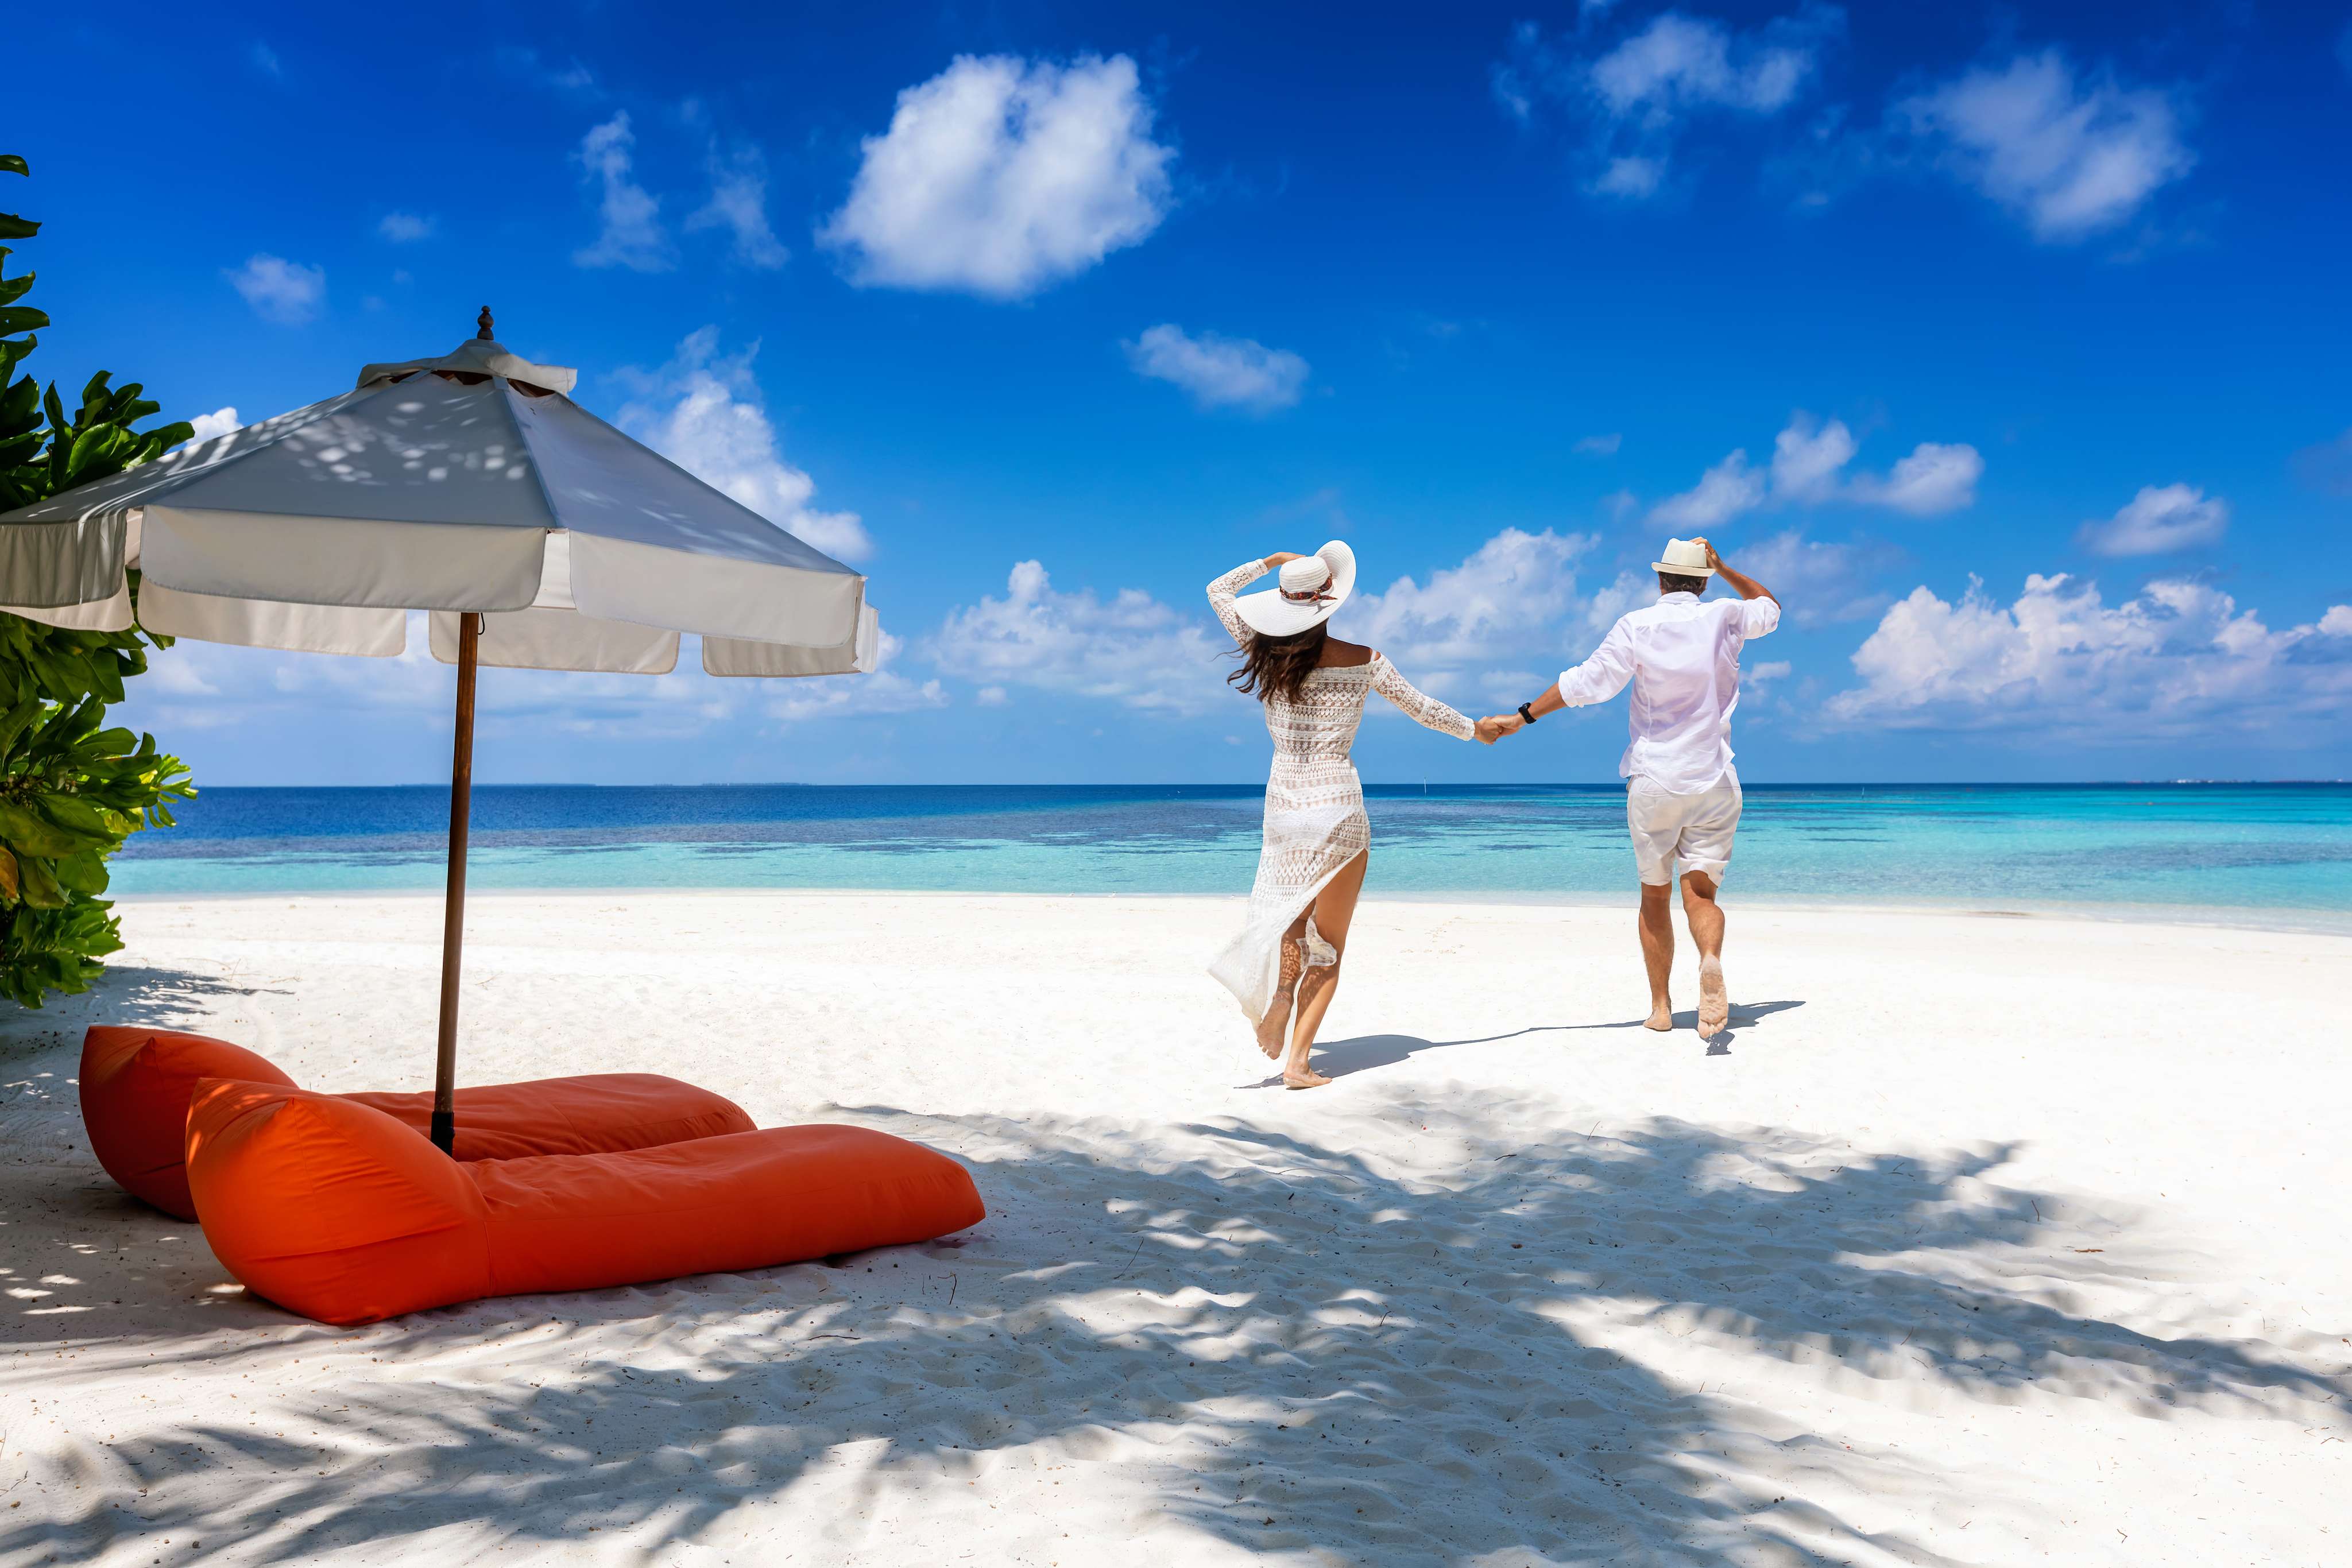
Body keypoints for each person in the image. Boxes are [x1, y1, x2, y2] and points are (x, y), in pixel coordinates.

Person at [1209, 543, 1511, 1087]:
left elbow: (1218, 591)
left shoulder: (1263, 651)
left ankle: (1283, 994)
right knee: (1329, 944)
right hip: (1339, 809)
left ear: (1283, 604)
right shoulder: (1364, 659)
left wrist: (1272, 562)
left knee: (1292, 922)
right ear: (1329, 602)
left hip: (1285, 809)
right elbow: (1423, 708)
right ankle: (1298, 1063)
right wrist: (1476, 729)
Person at [1485, 537, 1778, 1040]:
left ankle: (1661, 1008)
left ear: (1661, 579)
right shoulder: (1727, 615)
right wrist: (1726, 566)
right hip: (1714, 779)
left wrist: (1523, 716)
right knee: (1700, 893)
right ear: (1703, 582)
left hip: (1655, 780)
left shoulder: (1637, 625)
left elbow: (1586, 683)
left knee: (1654, 897)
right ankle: (1709, 957)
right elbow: (1769, 607)